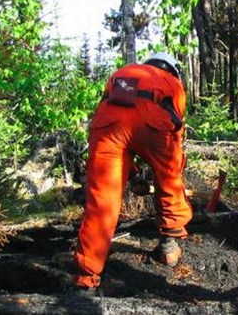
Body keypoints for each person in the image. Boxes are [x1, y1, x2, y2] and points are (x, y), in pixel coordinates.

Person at [72, 53, 192, 294]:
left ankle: (86, 277)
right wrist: (171, 169)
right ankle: (169, 244)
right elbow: (174, 131)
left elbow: (120, 120)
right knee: (169, 181)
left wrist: (132, 173)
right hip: (153, 125)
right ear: (172, 70)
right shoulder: (172, 83)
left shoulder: (123, 73)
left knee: (101, 203)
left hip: (107, 128)